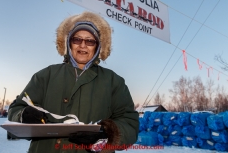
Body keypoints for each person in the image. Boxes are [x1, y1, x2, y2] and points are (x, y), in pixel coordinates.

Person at [8, 11, 139, 153]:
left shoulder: (114, 81)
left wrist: (106, 134)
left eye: (90, 41)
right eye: (77, 39)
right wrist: (23, 114)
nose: (83, 45)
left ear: (98, 46)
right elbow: (17, 108)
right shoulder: (46, 75)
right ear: (69, 43)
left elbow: (130, 124)